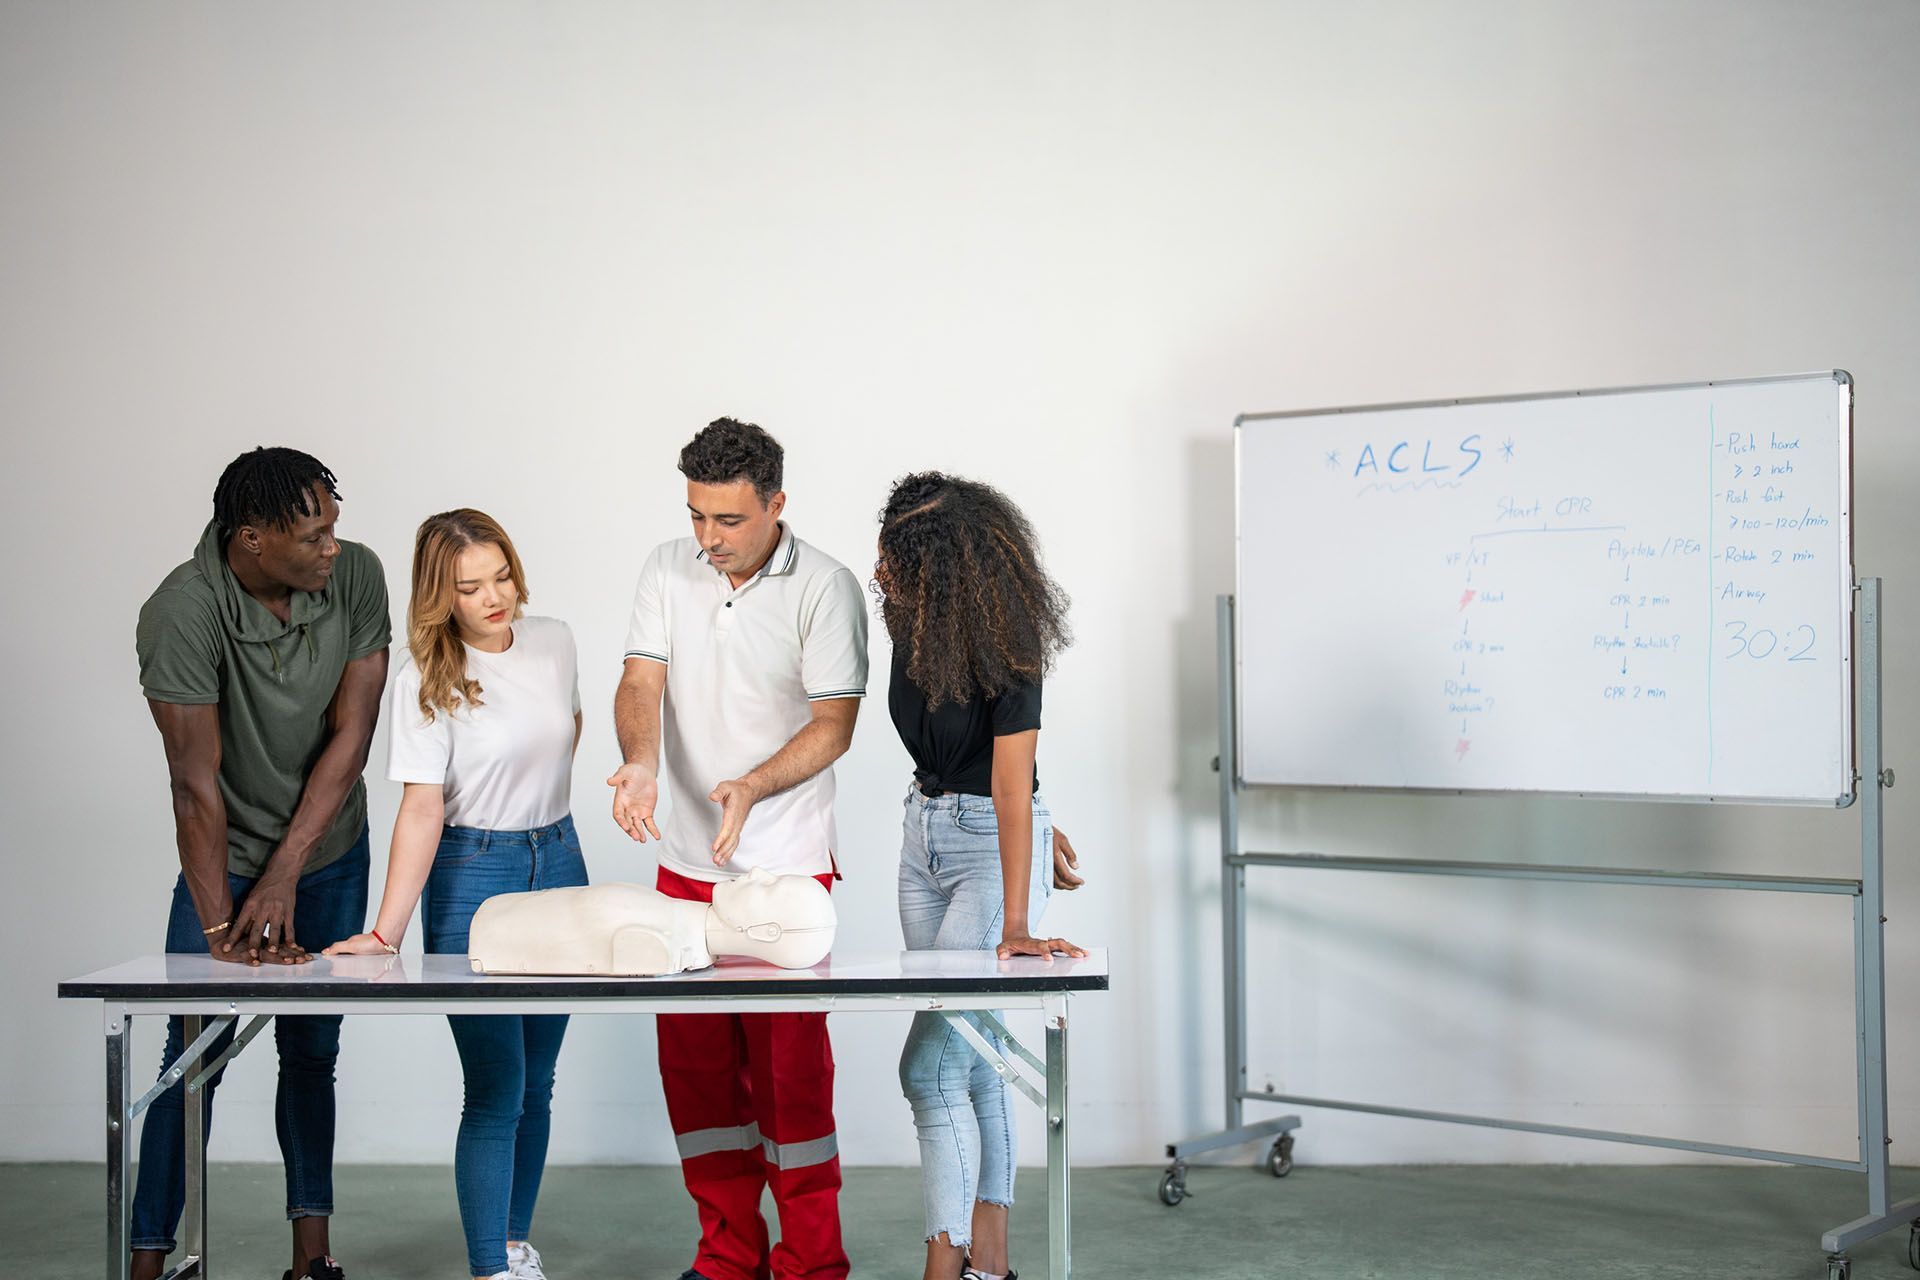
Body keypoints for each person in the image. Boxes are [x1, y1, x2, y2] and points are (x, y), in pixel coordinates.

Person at [608, 417, 868, 1280]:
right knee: (698, 1077)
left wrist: (753, 784)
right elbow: (641, 678)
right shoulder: (664, 566)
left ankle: (811, 1265)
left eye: (728, 521)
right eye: (696, 517)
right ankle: (726, 1257)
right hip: (683, 866)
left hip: (788, 868)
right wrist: (641, 764)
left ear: (777, 504)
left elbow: (835, 724)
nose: (707, 540)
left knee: (792, 1082)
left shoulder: (825, 587)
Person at [132, 447, 390, 1280]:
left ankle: (311, 1260)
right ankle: (147, 1263)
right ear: (249, 539)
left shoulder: (355, 579)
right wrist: (219, 924)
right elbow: (192, 784)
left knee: (312, 1055)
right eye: (312, 536)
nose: (332, 549)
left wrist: (290, 870)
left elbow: (352, 736)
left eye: (334, 528)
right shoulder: (182, 610)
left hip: (328, 850)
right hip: (226, 860)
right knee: (188, 1064)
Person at [325, 509, 585, 1280]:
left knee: (537, 1083)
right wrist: (386, 931)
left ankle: (512, 1246)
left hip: (562, 863)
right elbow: (420, 808)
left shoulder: (557, 641)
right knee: (497, 1083)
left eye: (501, 575)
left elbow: (561, 733)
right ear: (442, 596)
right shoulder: (424, 681)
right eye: (471, 587)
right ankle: (488, 1268)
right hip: (475, 875)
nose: (494, 596)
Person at [873, 472, 1087, 1280]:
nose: (885, 574)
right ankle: (992, 1265)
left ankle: (945, 1261)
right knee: (978, 1056)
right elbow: (964, 755)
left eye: (902, 560)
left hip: (983, 851)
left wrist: (1019, 920)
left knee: (928, 1065)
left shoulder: (1013, 637)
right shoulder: (912, 621)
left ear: (949, 565)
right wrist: (1036, 814)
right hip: (920, 839)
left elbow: (1007, 779)